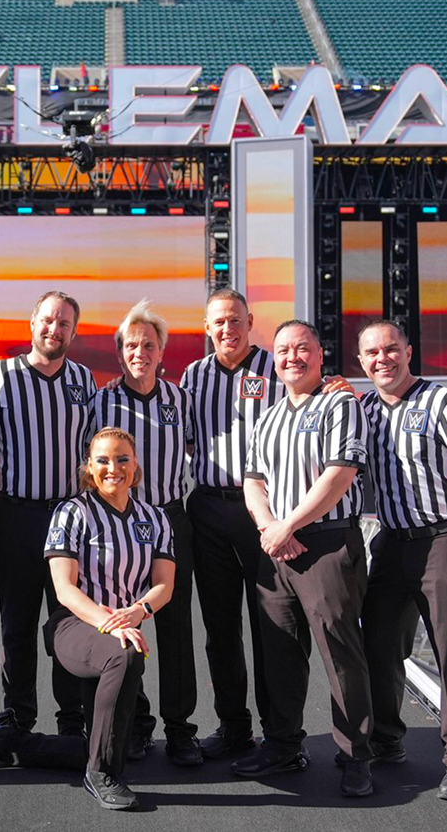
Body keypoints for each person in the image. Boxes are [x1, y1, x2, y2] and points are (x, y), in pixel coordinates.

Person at [0, 427, 176, 812]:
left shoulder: (155, 519)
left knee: (112, 741)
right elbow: (64, 589)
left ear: (135, 465)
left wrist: (138, 611)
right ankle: (101, 774)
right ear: (89, 467)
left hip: (122, 629)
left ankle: (11, 741)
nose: (113, 468)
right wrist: (113, 623)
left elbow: (164, 584)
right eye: (103, 460)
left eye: (122, 458)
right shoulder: (72, 512)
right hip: (74, 625)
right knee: (125, 658)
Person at [357, 320, 447, 802]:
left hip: (444, 540)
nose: (383, 359)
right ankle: (386, 738)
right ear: (361, 362)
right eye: (372, 353)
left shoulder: (442, 403)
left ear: (408, 351)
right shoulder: (364, 411)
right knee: (378, 643)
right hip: (392, 541)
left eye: (390, 349)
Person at [238, 319, 375, 798]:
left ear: (320, 355)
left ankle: (356, 755)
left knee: (340, 654)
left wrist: (289, 525)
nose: (291, 357)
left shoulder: (340, 403)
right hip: (276, 547)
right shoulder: (269, 416)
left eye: (301, 348)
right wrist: (270, 529)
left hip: (327, 543)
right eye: (282, 350)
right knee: (278, 653)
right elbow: (253, 481)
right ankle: (282, 745)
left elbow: (340, 474)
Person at [0, 291, 96, 738]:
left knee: (68, 621)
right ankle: (19, 717)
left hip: (69, 520)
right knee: (18, 624)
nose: (54, 329)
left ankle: (71, 721)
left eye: (64, 323)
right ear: (32, 322)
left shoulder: (83, 379)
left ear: (73, 332)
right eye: (48, 320)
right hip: (17, 517)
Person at [90, 300, 200, 766]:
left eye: (148, 345)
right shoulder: (101, 402)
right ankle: (134, 723)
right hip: (118, 524)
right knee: (123, 624)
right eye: (131, 346)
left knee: (175, 629)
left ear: (161, 352)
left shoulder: (180, 400)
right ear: (120, 353)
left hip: (170, 519)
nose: (140, 353)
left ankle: (180, 729)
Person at [178, 288, 279, 758]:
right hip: (208, 508)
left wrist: (336, 384)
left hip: (262, 512)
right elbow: (186, 439)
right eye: (218, 321)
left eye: (235, 320)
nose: (227, 329)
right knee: (220, 628)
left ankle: (279, 732)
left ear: (250, 321)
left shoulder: (276, 368)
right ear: (207, 327)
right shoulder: (194, 375)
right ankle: (233, 726)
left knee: (271, 626)